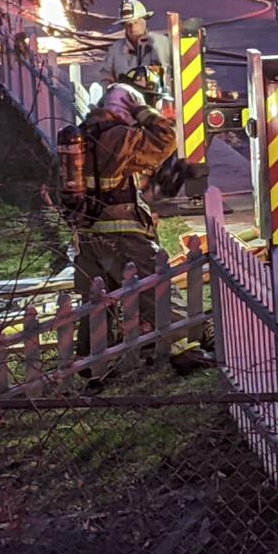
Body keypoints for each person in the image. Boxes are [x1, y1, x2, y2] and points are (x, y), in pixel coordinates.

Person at [64, 83, 209, 377]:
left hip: (90, 233)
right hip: (124, 232)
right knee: (157, 284)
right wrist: (143, 110)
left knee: (97, 298)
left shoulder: (82, 136)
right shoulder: (118, 136)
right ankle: (184, 349)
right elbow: (166, 140)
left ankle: (92, 362)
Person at [101, 0, 171, 92]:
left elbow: (175, 73)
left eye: (136, 22)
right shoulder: (115, 50)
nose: (132, 27)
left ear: (144, 21)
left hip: (159, 101)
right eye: (128, 24)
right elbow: (106, 78)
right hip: (125, 104)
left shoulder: (162, 43)